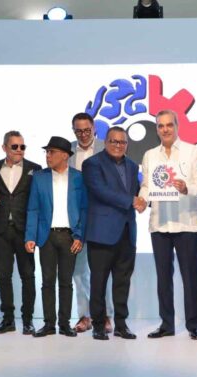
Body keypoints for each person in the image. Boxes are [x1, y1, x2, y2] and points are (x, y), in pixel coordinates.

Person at [140, 110, 197, 340]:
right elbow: (147, 186)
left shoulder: (193, 151)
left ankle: (193, 325)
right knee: (163, 278)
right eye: (160, 126)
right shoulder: (150, 155)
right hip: (159, 224)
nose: (165, 129)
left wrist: (187, 188)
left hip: (186, 224)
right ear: (156, 129)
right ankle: (166, 324)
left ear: (177, 126)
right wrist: (142, 200)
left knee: (190, 277)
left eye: (169, 125)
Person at [83, 127, 143, 340]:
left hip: (127, 233)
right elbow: (101, 191)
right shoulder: (92, 164)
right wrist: (131, 200)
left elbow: (138, 192)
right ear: (105, 142)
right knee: (98, 282)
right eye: (114, 141)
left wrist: (148, 198)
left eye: (122, 142)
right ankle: (98, 325)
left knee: (122, 282)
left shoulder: (132, 165)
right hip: (102, 233)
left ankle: (121, 325)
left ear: (127, 144)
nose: (118, 145)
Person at [25, 136, 87, 338]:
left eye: (51, 152)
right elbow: (33, 209)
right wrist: (30, 236)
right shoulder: (39, 177)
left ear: (65, 155)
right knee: (47, 282)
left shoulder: (79, 178)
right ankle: (49, 324)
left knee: (66, 282)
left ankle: (65, 324)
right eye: (47, 152)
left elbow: (84, 209)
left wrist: (80, 236)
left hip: (70, 237)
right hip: (47, 237)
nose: (48, 156)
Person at [0, 131, 41, 336]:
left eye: (22, 146)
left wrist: (34, 231)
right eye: (15, 146)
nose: (19, 150)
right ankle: (8, 319)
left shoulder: (35, 169)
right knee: (3, 276)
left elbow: (38, 201)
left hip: (25, 231)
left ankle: (28, 320)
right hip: (0, 230)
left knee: (28, 275)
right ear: (4, 148)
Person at [68, 113, 113, 334]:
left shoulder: (108, 148)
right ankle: (84, 316)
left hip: (102, 217)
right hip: (76, 219)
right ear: (73, 131)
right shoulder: (67, 151)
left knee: (102, 271)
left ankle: (105, 315)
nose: (83, 135)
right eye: (79, 131)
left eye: (87, 130)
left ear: (94, 128)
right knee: (78, 272)